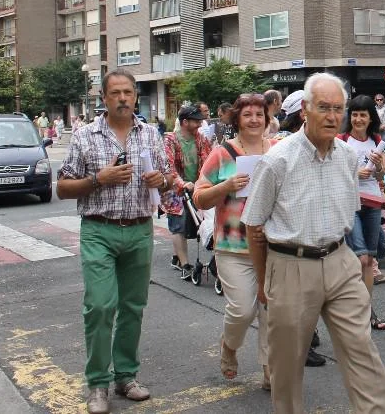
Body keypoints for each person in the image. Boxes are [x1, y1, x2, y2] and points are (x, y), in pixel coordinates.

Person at [242, 73, 385, 414]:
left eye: (338, 109)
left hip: (340, 260)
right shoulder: (278, 159)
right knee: (287, 362)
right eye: (324, 107)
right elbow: (254, 225)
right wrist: (264, 282)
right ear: (305, 110)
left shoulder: (347, 156)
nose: (332, 116)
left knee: (362, 351)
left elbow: (350, 210)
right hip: (290, 265)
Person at [56, 70, 173, 414]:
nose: (123, 98)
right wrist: (98, 179)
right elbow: (62, 187)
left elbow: (169, 178)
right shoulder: (85, 136)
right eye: (115, 93)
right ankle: (97, 383)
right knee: (100, 306)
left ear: (135, 96)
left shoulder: (150, 134)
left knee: (133, 306)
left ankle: (126, 376)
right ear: (104, 98)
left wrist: (162, 180)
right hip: (99, 230)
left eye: (128, 93)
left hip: (139, 229)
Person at [193, 93, 278, 390]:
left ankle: (270, 370)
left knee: (272, 311)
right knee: (242, 310)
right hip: (233, 246)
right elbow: (199, 197)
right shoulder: (222, 153)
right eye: (247, 114)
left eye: (259, 114)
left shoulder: (278, 149)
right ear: (237, 120)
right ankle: (229, 346)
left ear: (267, 118)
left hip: (273, 245)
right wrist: (226, 186)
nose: (254, 120)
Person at [266, 87, 326, 367]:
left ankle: (306, 336)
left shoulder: (318, 143)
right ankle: (300, 343)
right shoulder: (283, 145)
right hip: (292, 226)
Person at [338, 95, 385, 330]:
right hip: (350, 203)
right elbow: (332, 173)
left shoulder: (376, 140)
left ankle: (367, 310)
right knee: (360, 257)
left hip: (372, 201)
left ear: (371, 118)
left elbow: (381, 175)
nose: (358, 119)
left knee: (369, 259)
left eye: (363, 115)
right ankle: (357, 309)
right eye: (355, 114)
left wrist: (378, 165)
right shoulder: (341, 141)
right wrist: (354, 173)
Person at [163, 105, 212, 281]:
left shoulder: (201, 139)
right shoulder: (170, 140)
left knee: (201, 223)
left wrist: (204, 182)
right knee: (178, 225)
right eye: (196, 121)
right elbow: (168, 166)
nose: (200, 124)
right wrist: (182, 183)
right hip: (175, 189)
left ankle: (177, 257)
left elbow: (209, 161)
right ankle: (184, 265)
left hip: (197, 187)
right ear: (185, 122)